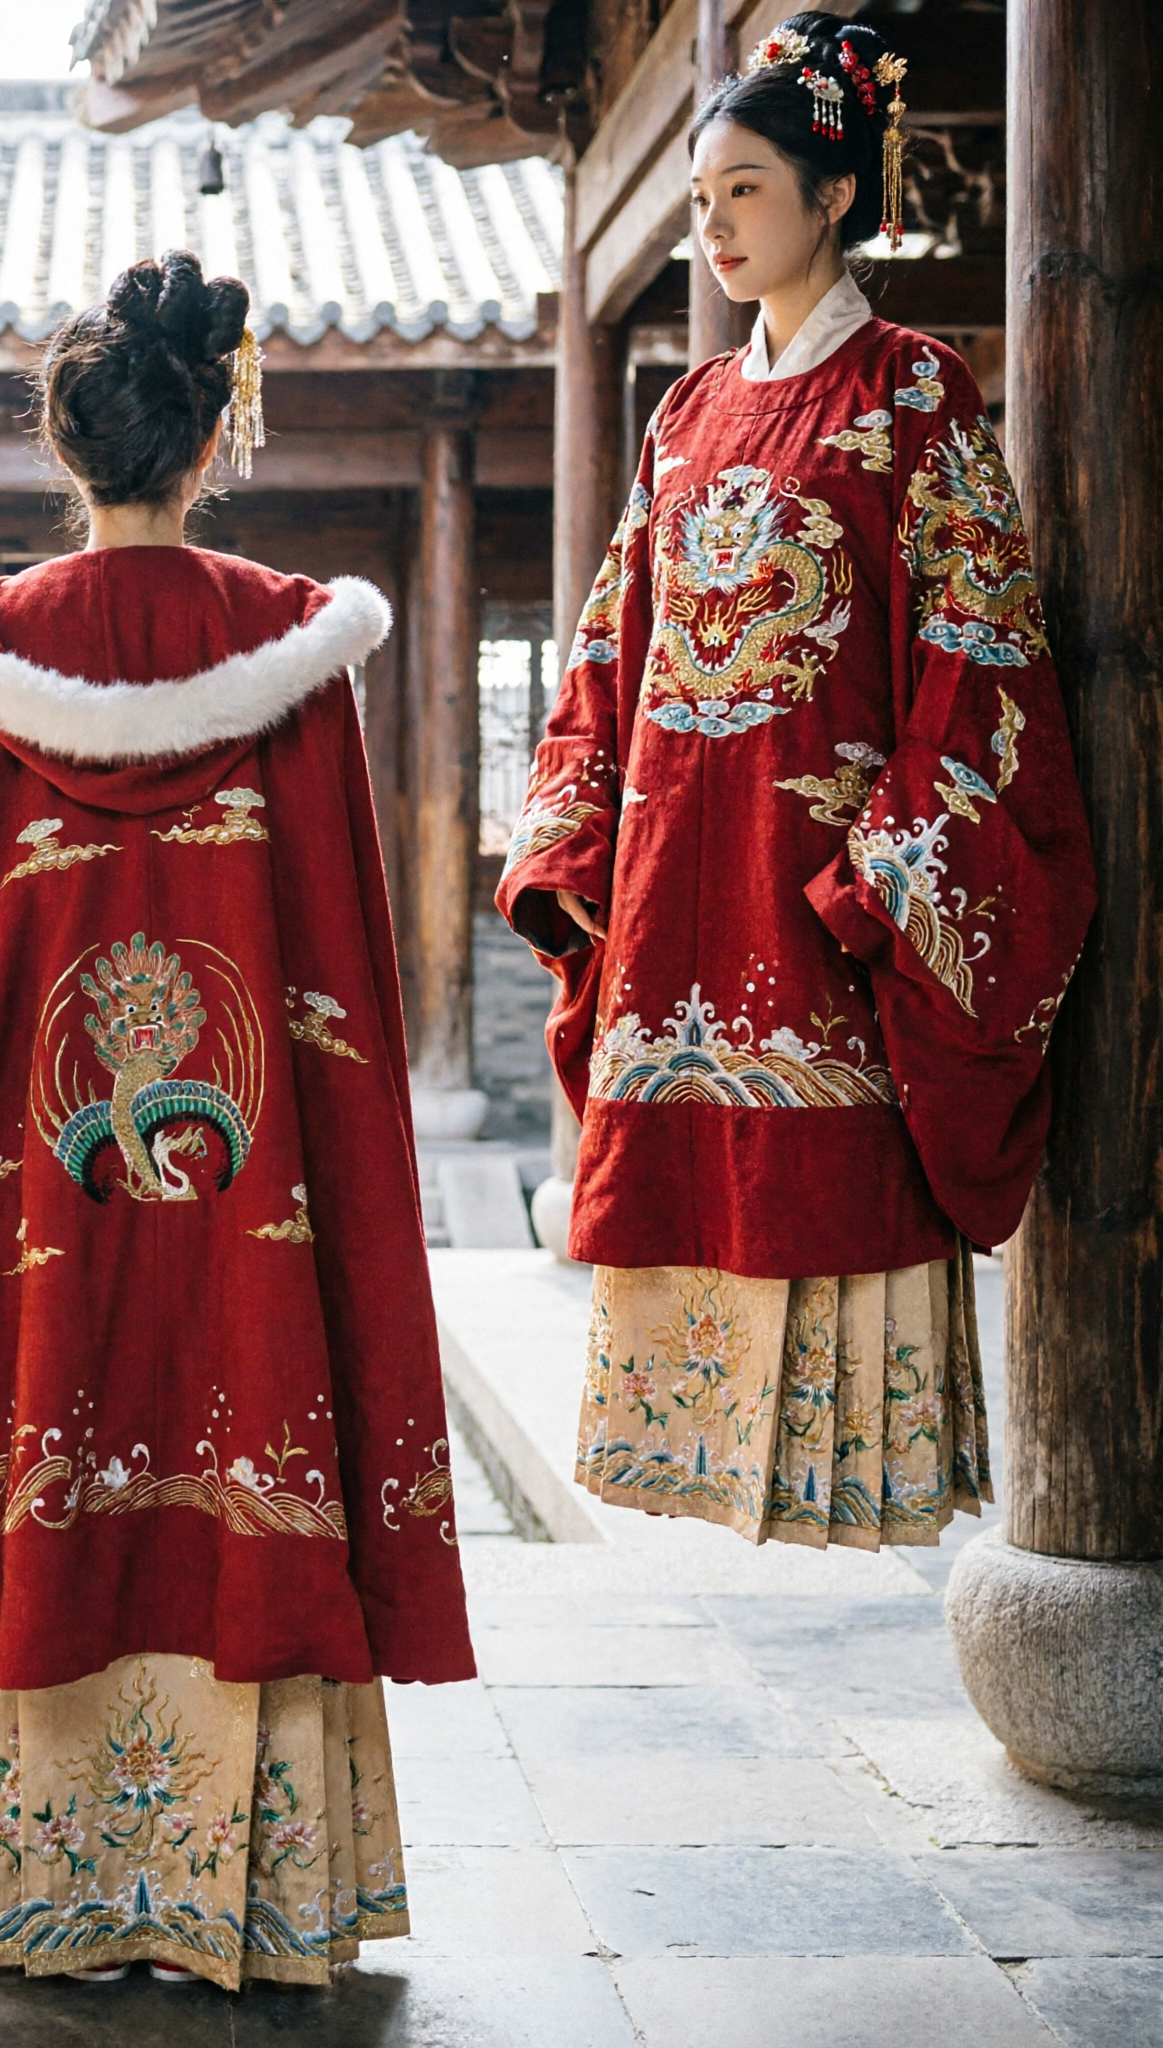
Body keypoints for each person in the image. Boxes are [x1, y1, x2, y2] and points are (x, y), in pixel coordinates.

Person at [0, 250, 475, 1992]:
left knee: (43, 1408)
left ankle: (24, 1877)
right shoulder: (295, 655)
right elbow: (337, 972)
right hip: (251, 1195)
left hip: (34, 1186)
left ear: (70, 444)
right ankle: (245, 1892)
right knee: (246, 1399)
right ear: (214, 436)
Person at [498, 16, 1095, 1550]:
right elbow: (611, 643)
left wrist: (881, 878)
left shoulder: (915, 393)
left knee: (835, 1165)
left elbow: (979, 648)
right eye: (700, 198)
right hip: (679, 875)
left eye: (743, 191)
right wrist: (580, 838)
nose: (713, 226)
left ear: (834, 197)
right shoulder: (686, 412)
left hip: (827, 891)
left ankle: (853, 1468)